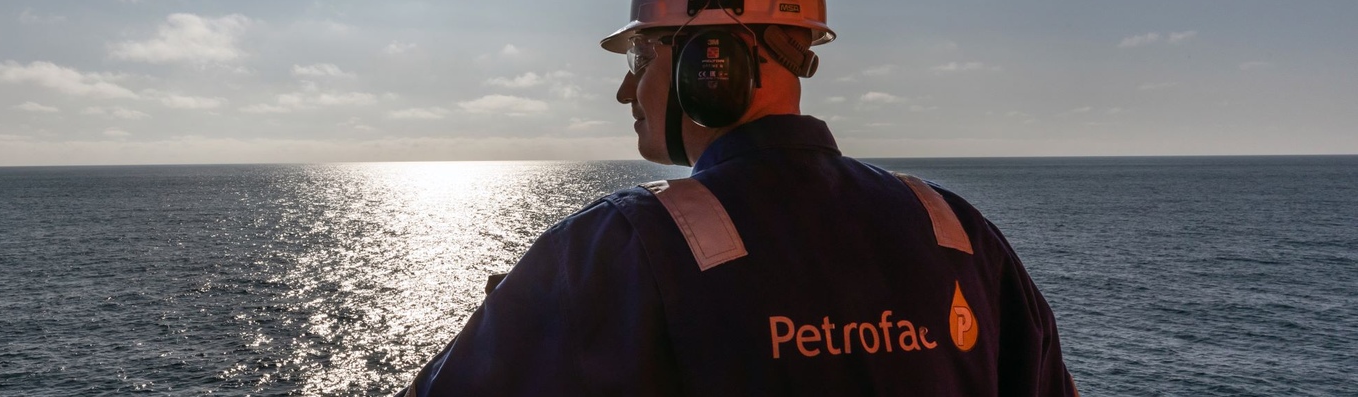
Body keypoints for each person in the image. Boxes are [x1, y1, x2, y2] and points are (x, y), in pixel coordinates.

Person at [399, 0, 1079, 395]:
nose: (625, 91)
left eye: (642, 58)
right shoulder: (958, 236)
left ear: (712, 61)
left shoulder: (621, 251)